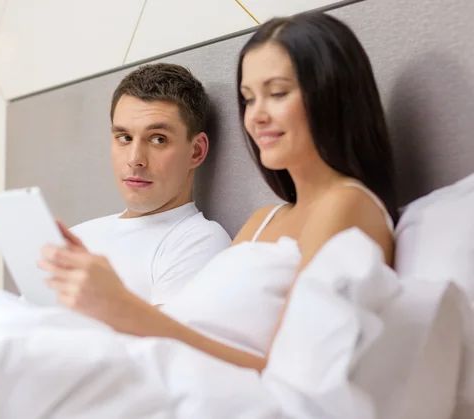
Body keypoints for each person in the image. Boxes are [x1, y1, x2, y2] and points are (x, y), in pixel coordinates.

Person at [38, 12, 398, 371]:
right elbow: (190, 325)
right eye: (249, 98)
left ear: (330, 96)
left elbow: (293, 374)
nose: (256, 116)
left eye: (276, 93)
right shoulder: (263, 220)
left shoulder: (345, 204)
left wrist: (122, 307)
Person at [63, 63, 231, 306]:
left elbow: (162, 343)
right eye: (124, 138)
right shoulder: (78, 235)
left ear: (196, 151)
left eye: (157, 139)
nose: (134, 160)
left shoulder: (198, 240)